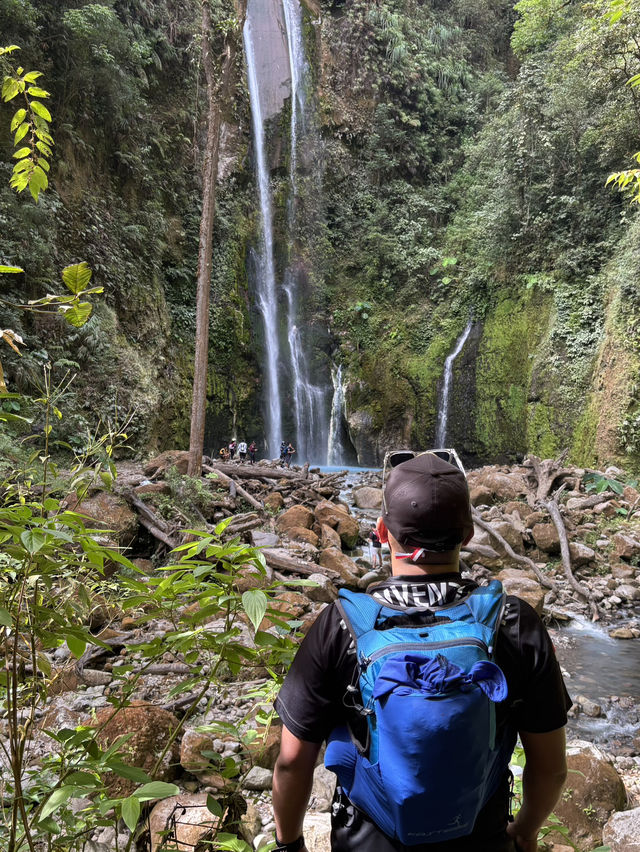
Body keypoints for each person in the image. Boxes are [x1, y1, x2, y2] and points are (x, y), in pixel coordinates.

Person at [272, 451, 570, 852]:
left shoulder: (342, 624)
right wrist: (526, 830)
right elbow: (550, 768)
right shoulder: (512, 622)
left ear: (381, 531)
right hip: (478, 838)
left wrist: (289, 844)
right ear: (467, 536)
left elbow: (292, 761)